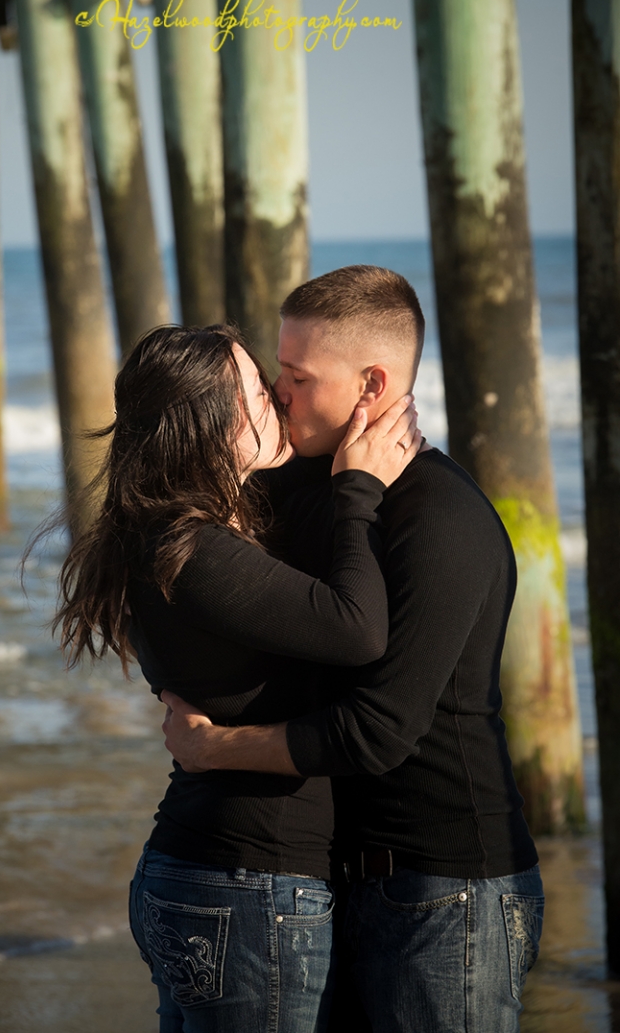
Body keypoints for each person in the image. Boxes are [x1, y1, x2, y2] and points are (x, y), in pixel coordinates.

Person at [161, 266, 545, 1033]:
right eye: (277, 371)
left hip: (449, 892)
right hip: (339, 879)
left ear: (372, 385)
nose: (277, 393)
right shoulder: (312, 484)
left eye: (298, 377)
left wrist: (217, 747)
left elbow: (379, 730)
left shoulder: (442, 519)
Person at [49, 322, 421, 1033]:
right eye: (257, 389)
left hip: (210, 874)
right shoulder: (194, 550)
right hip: (247, 886)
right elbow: (355, 629)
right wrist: (359, 491)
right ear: (211, 428)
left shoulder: (175, 536)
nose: (277, 400)